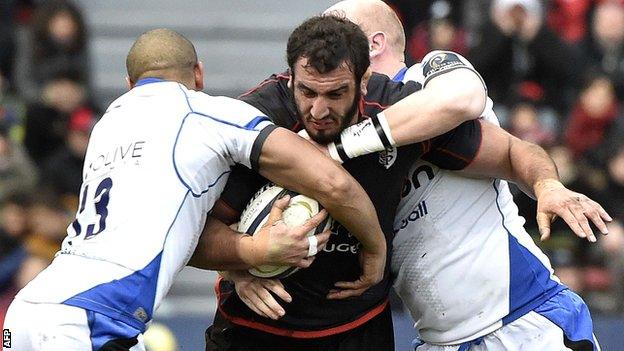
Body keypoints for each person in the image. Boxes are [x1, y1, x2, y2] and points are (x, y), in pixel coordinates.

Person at [222, 3, 609, 350]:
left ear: (370, 46)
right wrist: (240, 264)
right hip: (439, 340)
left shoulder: (428, 79)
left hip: (525, 319)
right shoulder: (321, 116)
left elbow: (469, 101)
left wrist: (547, 184)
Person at [2, 28, 388, 350]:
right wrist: (375, 247)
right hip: (90, 317)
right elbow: (331, 182)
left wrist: (246, 256)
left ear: (129, 85)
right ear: (199, 75)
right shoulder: (204, 112)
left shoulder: (107, 126)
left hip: (27, 310)